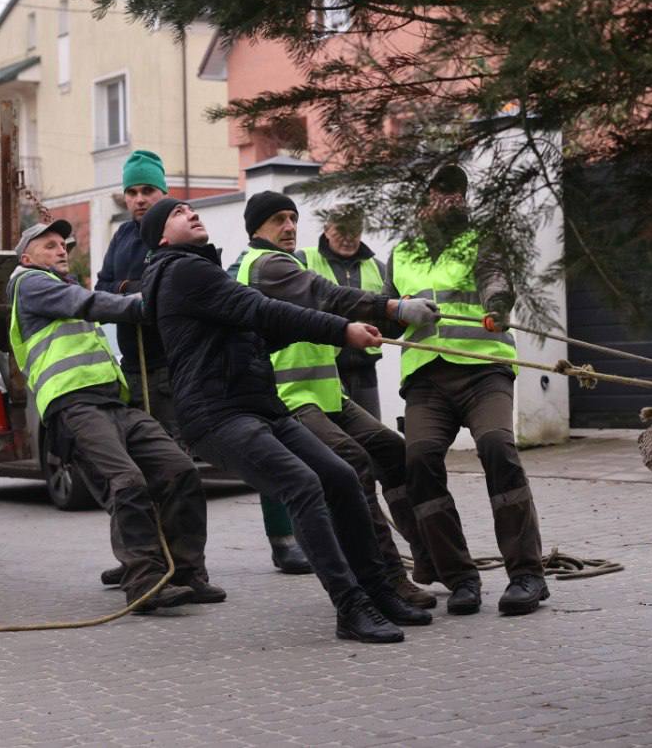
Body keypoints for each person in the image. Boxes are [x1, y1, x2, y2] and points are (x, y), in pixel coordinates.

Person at [138, 197, 432, 642]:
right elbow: (263, 311)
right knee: (303, 484)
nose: (191, 213)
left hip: (258, 406)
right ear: (161, 238)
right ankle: (351, 606)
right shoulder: (182, 270)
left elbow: (257, 333)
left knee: (341, 476)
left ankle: (379, 590)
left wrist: (332, 328)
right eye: (178, 213)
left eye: (190, 208)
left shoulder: (199, 272)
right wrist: (342, 329)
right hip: (217, 415)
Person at [94, 150, 310, 581]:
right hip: (136, 371)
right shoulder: (121, 238)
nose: (139, 199)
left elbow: (175, 290)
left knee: (184, 468)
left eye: (148, 190)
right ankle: (142, 557)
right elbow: (102, 288)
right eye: (132, 192)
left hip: (178, 370)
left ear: (164, 193)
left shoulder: (180, 237)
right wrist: (129, 292)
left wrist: (137, 293)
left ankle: (223, 555)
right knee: (137, 470)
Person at [8, 219, 221, 613]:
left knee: (180, 470)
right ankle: (145, 584)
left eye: (63, 245)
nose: (61, 250)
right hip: (74, 407)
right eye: (49, 245)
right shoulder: (30, 284)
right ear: (26, 258)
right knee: (127, 483)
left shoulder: (61, 288)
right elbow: (91, 303)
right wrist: (141, 304)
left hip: (112, 404)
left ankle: (186, 573)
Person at [237, 191, 438, 608]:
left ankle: (429, 555)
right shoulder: (266, 265)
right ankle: (385, 578)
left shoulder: (294, 262)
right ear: (256, 228)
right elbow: (327, 295)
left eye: (293, 218)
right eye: (278, 219)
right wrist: (396, 307)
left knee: (391, 450)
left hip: (328, 391)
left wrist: (395, 316)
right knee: (352, 464)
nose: (289, 227)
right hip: (287, 398)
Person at [385, 165, 548, 616]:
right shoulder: (401, 253)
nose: (452, 198)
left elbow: (496, 280)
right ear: (421, 201)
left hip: (483, 370)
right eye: (441, 190)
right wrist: (391, 314)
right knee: (419, 460)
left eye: (458, 191)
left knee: (497, 447)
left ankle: (527, 574)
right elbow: (387, 311)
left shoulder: (482, 240)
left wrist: (498, 306)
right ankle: (459, 577)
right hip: (426, 378)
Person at [300, 207, 386, 419]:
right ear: (326, 230)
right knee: (332, 432)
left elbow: (390, 316)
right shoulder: (302, 260)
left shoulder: (378, 268)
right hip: (322, 369)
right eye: (341, 230)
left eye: (354, 231)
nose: (348, 237)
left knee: (373, 432)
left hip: (364, 369)